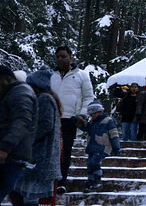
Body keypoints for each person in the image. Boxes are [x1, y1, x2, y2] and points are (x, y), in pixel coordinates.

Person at [10, 70, 61, 206]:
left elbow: (45, 125)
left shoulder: (44, 99)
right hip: (39, 155)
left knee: (29, 194)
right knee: (23, 192)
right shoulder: (45, 98)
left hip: (39, 155)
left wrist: (27, 139)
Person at [50, 46, 94, 194]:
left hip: (70, 120)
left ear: (70, 57)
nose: (60, 59)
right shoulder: (51, 75)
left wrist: (81, 115)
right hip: (52, 119)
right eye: (57, 57)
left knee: (66, 151)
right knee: (51, 150)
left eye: (63, 56)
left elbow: (88, 97)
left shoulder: (82, 75)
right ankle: (50, 180)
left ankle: (62, 181)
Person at [0, 65, 38, 202]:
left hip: (11, 156)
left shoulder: (20, 93)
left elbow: (22, 121)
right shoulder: (11, 93)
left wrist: (5, 147)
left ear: (7, 79)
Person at [79, 101, 120, 192]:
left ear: (99, 111)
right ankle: (91, 181)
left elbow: (114, 134)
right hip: (91, 147)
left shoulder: (108, 121)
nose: (92, 116)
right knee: (90, 164)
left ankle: (97, 180)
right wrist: (79, 123)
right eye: (90, 114)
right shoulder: (92, 123)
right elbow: (86, 129)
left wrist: (115, 147)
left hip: (102, 147)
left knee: (95, 162)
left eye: (93, 114)